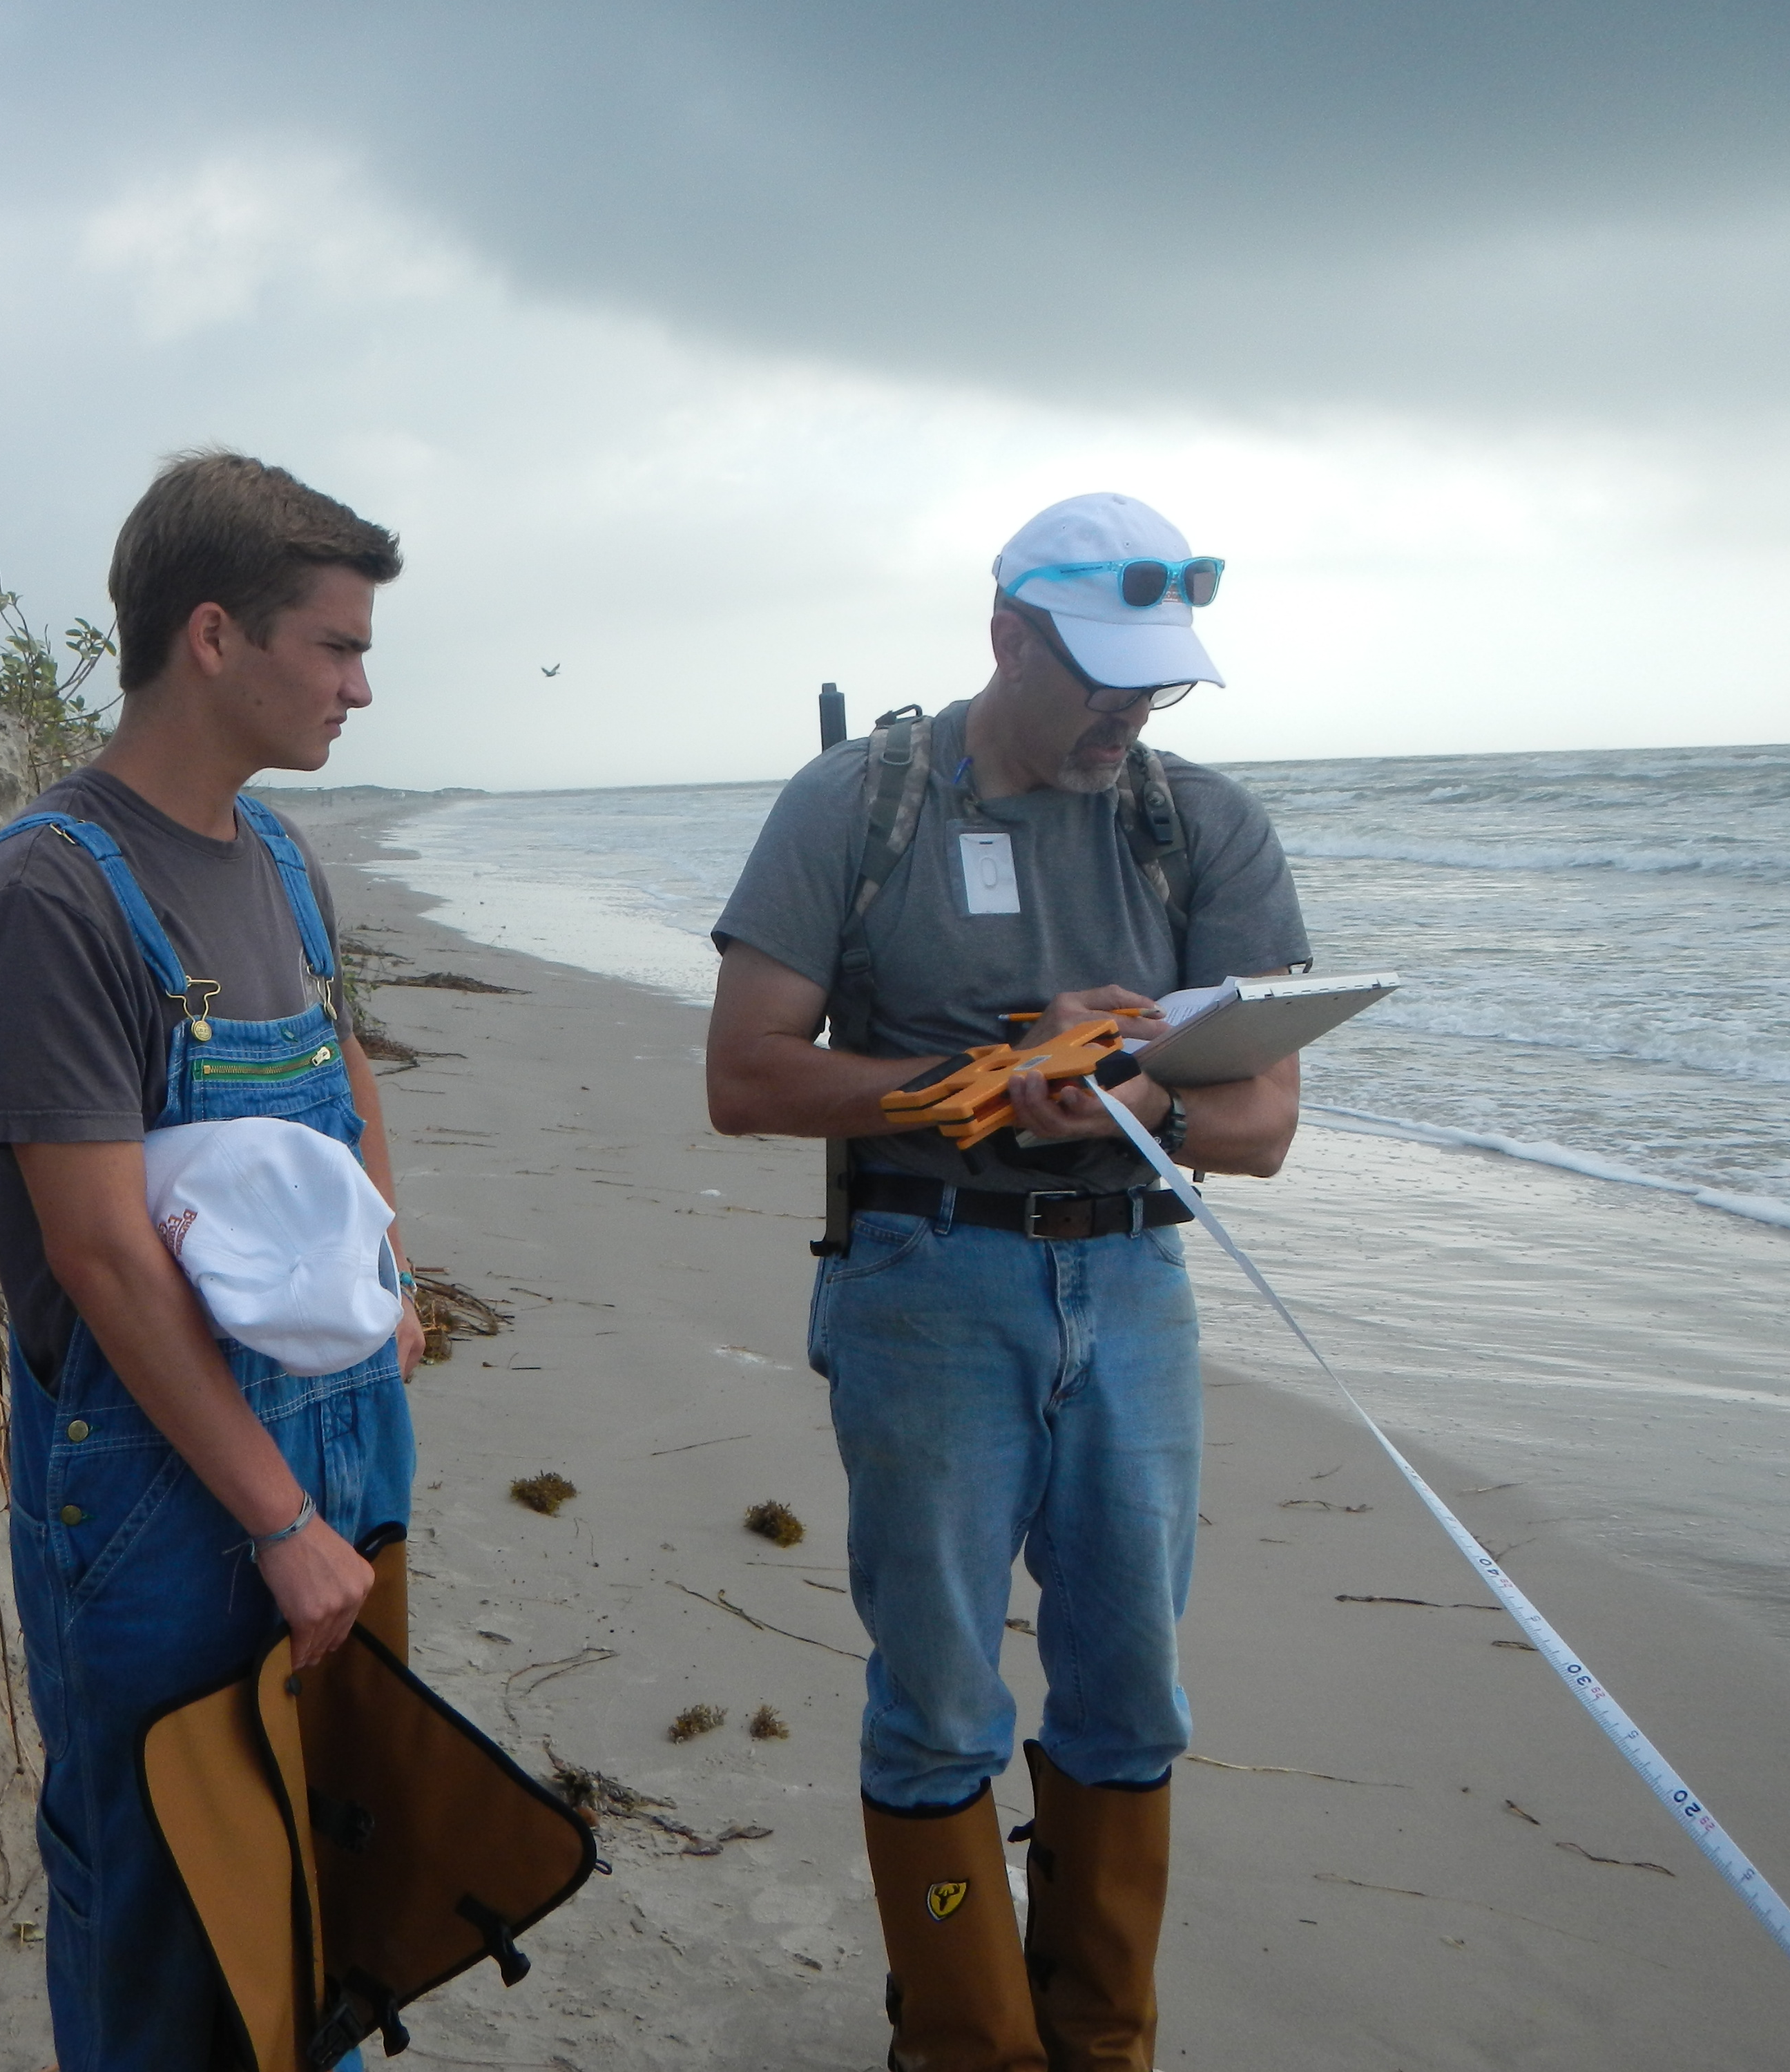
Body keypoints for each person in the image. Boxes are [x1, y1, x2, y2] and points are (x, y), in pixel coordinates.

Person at [704, 493, 1311, 2072]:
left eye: (1155, 683)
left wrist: (1145, 1096)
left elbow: (1261, 1128)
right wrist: (971, 1087)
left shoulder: (1202, 825)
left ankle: (1099, 2041)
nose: (1128, 712)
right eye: (1100, 676)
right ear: (1003, 639)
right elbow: (745, 1078)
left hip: (1133, 1294)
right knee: (938, 1696)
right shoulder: (857, 804)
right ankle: (964, 2042)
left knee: (1129, 1694)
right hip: (924, 1281)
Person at [0, 452, 423, 2071]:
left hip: (334, 1434)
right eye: (335, 647)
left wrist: (387, 1278)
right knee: (167, 1912)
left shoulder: (276, 858)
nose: (362, 685)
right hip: (158, 1491)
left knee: (321, 1877)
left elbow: (344, 1074)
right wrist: (278, 1519)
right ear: (211, 636)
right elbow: (95, 1253)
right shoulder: (54, 889)